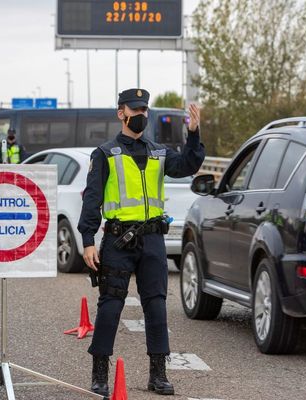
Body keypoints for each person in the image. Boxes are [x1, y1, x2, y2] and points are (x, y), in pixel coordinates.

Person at [78, 88, 203, 396]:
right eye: (135, 110)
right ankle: (100, 374)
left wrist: (194, 134)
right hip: (118, 240)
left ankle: (158, 374)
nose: (141, 115)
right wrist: (88, 240)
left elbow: (187, 165)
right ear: (121, 113)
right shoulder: (105, 154)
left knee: (157, 306)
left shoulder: (159, 152)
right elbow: (92, 199)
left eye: (145, 110)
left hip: (153, 241)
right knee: (110, 305)